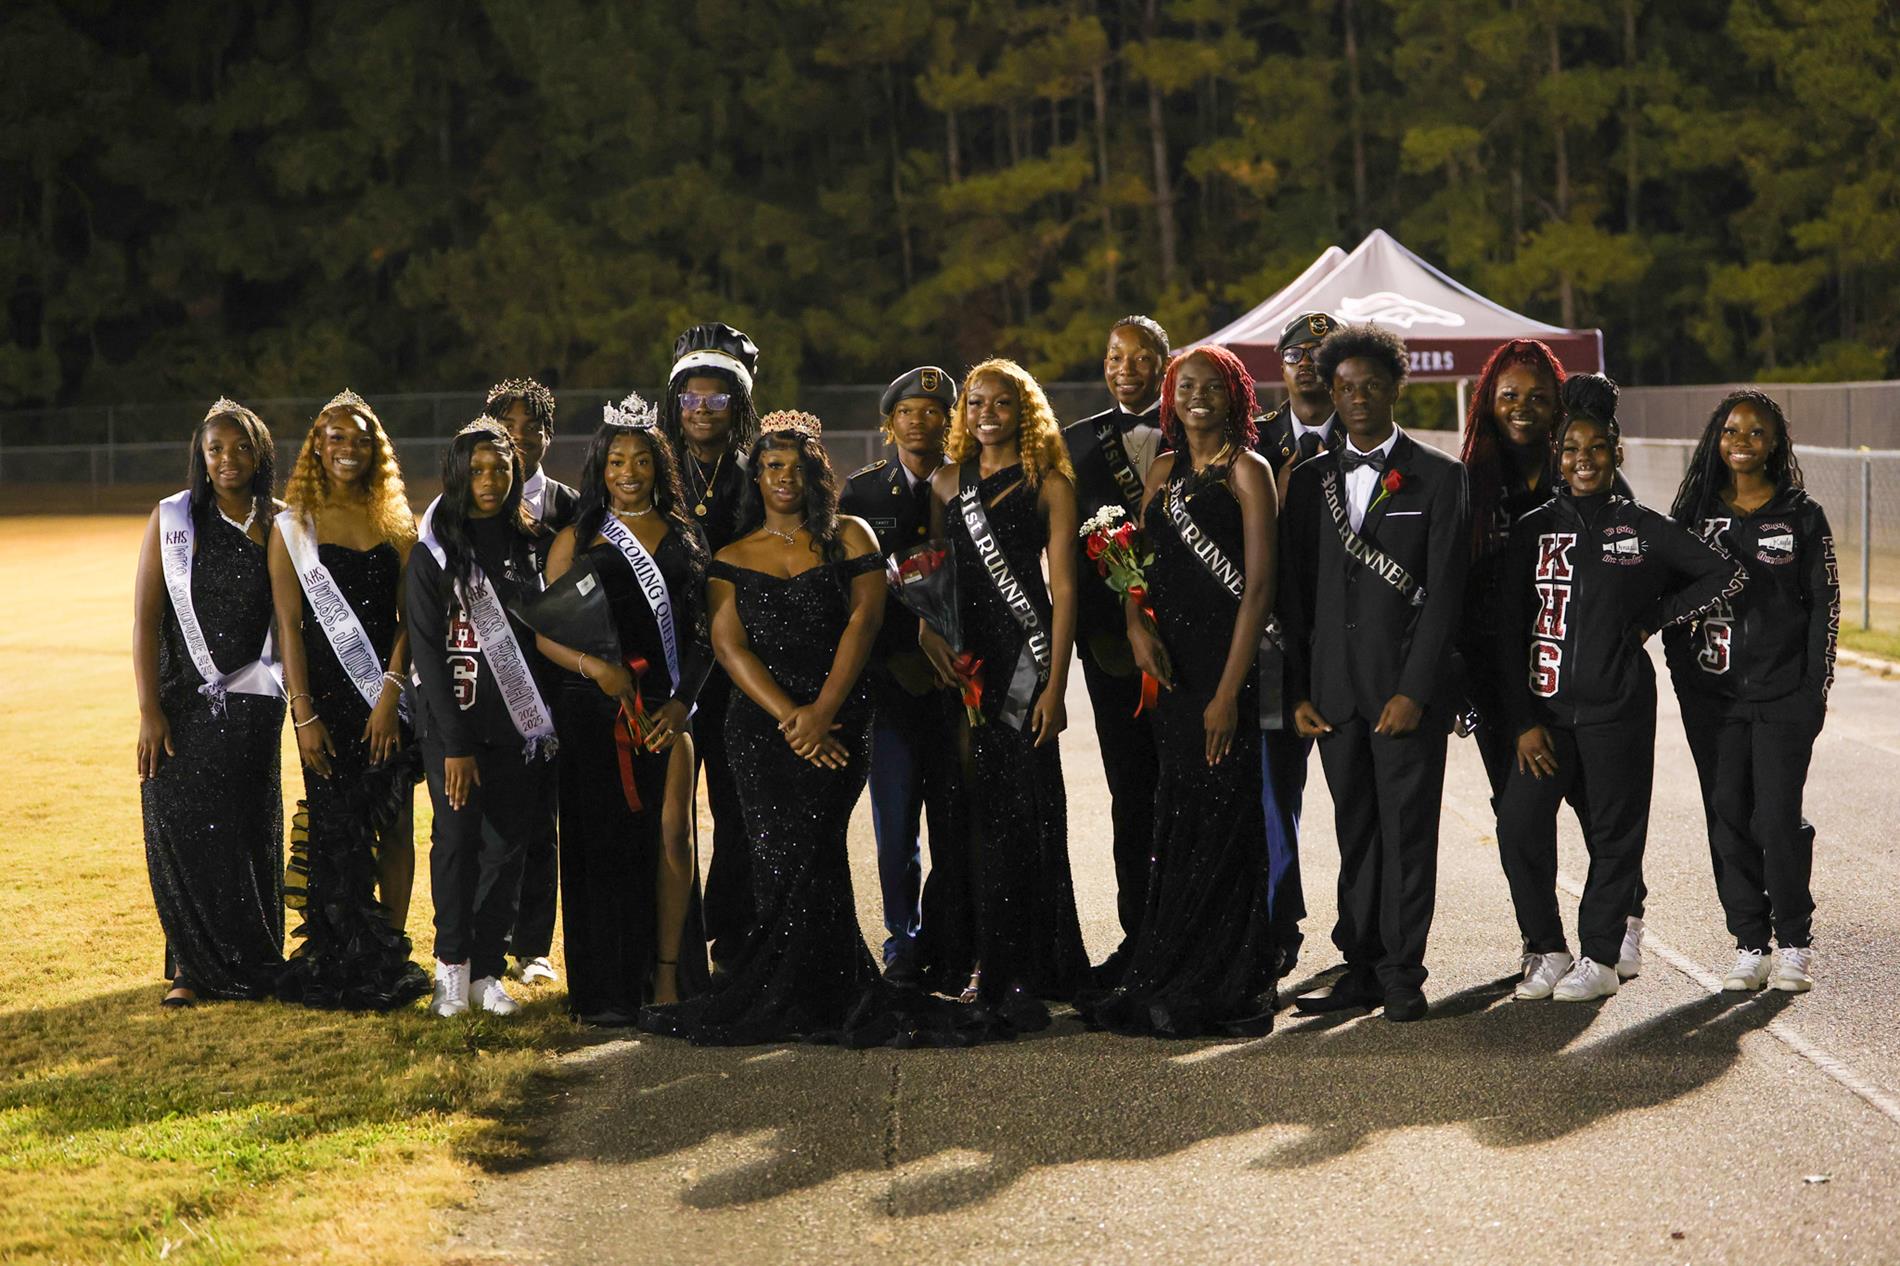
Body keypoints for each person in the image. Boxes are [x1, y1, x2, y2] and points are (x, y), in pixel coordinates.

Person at [639, 411, 889, 1045]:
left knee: (820, 848)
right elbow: (729, 648)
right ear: (757, 477)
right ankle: (787, 988)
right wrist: (791, 719)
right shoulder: (729, 556)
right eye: (773, 466)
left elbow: (863, 626)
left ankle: (826, 987)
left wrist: (823, 713)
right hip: (760, 732)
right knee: (777, 859)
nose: (785, 477)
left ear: (816, 473)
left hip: (839, 721)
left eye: (797, 466)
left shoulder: (852, 538)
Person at [1495, 375, 1743, 1003]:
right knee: (1520, 824)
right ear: (1559, 454)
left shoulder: (1642, 529)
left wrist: (1654, 617)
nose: (1585, 459)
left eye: (1598, 448)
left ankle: (1601, 957)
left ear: (1617, 454)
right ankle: (1547, 947)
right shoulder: (1529, 532)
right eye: (1573, 448)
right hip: (1545, 716)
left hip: (1618, 711)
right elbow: (1501, 629)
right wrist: (1520, 719)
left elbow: (1722, 572)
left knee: (1614, 837)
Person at [1081, 345, 1280, 1037]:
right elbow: (1137, 567)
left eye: (1210, 386)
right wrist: (1136, 625)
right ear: (1171, 397)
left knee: (1225, 817)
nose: (1197, 396)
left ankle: (1228, 978)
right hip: (1170, 671)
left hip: (1224, 669)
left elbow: (1257, 589)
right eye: (1184, 386)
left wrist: (1228, 693)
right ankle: (1172, 966)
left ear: (1234, 396)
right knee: (1178, 816)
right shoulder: (1163, 470)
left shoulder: (1248, 472)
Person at [1279, 324, 1469, 1024]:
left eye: (1372, 387)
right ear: (1332, 393)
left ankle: (1402, 974)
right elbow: (1294, 598)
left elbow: (1447, 595)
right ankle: (1358, 967)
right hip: (1332, 695)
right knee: (1355, 834)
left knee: (1407, 837)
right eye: (1345, 388)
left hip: (1402, 696)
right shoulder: (1307, 480)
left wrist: (1415, 691)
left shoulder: (1440, 476)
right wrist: (1297, 689)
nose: (1358, 399)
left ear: (1396, 389)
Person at [1455, 338, 1648, 979]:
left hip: (1577, 676)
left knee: (1599, 810)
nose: (1523, 408)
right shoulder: (1471, 479)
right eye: (1509, 395)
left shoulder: (1587, 466)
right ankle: (1541, 943)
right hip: (1502, 679)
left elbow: (1630, 571)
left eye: (1539, 397)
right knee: (1520, 816)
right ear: (1488, 400)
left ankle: (1623, 919)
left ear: (1559, 404)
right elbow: (1455, 587)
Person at [917, 358, 1089, 1028]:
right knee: (973, 812)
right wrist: (934, 639)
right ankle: (984, 956)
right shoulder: (944, 482)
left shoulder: (1051, 484)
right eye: (976, 402)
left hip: (1024, 658)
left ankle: (1032, 963)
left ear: (1026, 413)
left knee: (1026, 806)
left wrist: (1056, 683)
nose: (986, 413)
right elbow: (930, 576)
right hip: (968, 662)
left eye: (1002, 403)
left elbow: (1066, 589)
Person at [532, 394, 714, 1022]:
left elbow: (702, 634)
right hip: (594, 711)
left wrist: (684, 702)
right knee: (602, 846)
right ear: (600, 468)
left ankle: (668, 977)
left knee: (671, 839)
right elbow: (546, 634)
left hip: (664, 711)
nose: (629, 472)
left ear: (658, 467)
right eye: (616, 462)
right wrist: (598, 669)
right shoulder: (577, 537)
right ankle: (608, 987)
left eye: (640, 460)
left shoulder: (686, 536)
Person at [1664, 390, 1837, 993]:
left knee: (1776, 817)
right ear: (1717, 439)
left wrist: (1815, 688)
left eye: (1756, 432)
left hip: (1784, 694)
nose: (1742, 441)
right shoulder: (1693, 517)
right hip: (1713, 701)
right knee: (1728, 816)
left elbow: (1824, 606)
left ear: (1775, 444)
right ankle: (1749, 941)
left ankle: (1793, 941)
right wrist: (1687, 683)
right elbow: (1668, 602)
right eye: (1731, 431)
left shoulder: (1802, 515)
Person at [269, 390, 430, 1010]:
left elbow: (409, 619)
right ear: (317, 447)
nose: (347, 449)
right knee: (334, 827)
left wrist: (390, 694)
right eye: (335, 438)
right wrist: (303, 714)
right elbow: (289, 625)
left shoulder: (397, 525)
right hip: (325, 705)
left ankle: (387, 950)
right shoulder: (294, 525)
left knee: (392, 827)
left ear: (377, 452)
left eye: (361, 440)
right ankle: (338, 953)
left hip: (385, 697)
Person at [133, 399, 287, 1007]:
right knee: (185, 828)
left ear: (260, 454)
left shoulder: (280, 522)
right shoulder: (174, 519)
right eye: (216, 448)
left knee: (247, 829)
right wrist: (149, 709)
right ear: (201, 455)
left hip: (254, 705)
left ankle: (252, 960)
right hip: (181, 705)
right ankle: (191, 970)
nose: (228, 459)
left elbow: (293, 624)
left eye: (240, 447)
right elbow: (146, 622)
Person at [406, 419, 561, 1019]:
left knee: (507, 850)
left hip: (519, 725)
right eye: (477, 470)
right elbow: (425, 651)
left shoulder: (532, 542)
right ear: (457, 475)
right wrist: (455, 745)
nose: (489, 480)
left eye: (500, 468)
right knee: (456, 844)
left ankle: (488, 971)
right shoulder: (435, 551)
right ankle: (452, 969)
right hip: (455, 728)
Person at [840, 366, 961, 981]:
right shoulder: (859, 497)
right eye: (909, 411)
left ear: (951, 421)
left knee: (957, 818)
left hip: (962, 686)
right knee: (895, 828)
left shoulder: (973, 484)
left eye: (935, 411)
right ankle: (903, 942)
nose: (922, 421)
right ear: (890, 425)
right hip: (891, 687)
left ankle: (953, 940)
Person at [1060, 317, 1167, 985]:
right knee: (1130, 793)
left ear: (1165, 362)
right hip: (1108, 652)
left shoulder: (1194, 430)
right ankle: (1139, 934)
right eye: (1114, 356)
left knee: (1188, 791)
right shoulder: (1073, 443)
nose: (1125, 368)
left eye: (1141, 356)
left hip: (1189, 648)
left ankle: (1187, 928)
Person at [661, 322, 763, 975]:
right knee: (668, 813)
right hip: (666, 665)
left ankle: (733, 939)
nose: (702, 410)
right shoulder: (651, 466)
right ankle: (673, 948)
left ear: (738, 404)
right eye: (691, 398)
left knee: (735, 806)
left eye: (716, 399)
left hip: (734, 665)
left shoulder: (759, 472)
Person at [1250, 311, 1344, 977]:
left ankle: (1365, 938)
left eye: (1323, 353)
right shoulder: (1250, 441)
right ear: (1277, 365)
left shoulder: (1374, 438)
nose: (1308, 363)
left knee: (1359, 803)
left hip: (1346, 649)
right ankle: (1279, 925)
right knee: (1272, 798)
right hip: (1275, 648)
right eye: (1295, 353)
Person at [486, 376, 575, 986]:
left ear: (549, 435)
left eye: (532, 427)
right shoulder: (469, 499)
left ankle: (535, 947)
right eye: (508, 427)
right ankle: (478, 939)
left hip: (553, 682)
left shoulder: (572, 504)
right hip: (489, 677)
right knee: (487, 817)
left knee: (544, 817)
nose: (520, 439)